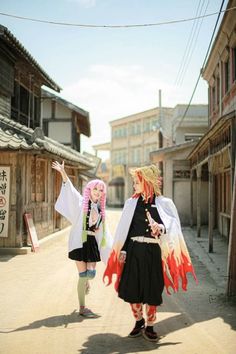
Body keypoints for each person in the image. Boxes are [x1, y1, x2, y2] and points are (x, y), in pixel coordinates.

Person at [103, 164, 197, 341]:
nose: (134, 185)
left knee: (152, 289)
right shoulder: (131, 204)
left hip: (154, 251)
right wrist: (123, 249)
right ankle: (138, 321)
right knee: (131, 288)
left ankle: (151, 325)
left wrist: (160, 227)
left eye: (137, 182)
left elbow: (173, 227)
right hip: (133, 250)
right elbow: (125, 229)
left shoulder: (164, 203)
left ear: (146, 182)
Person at [52, 160, 112, 318]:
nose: (98, 192)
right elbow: (69, 189)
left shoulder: (100, 209)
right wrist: (63, 172)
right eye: (95, 189)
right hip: (79, 243)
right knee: (82, 276)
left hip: (92, 243)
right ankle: (82, 307)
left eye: (100, 190)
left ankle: (87, 281)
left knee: (90, 274)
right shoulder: (81, 202)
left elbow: (103, 230)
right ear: (90, 190)